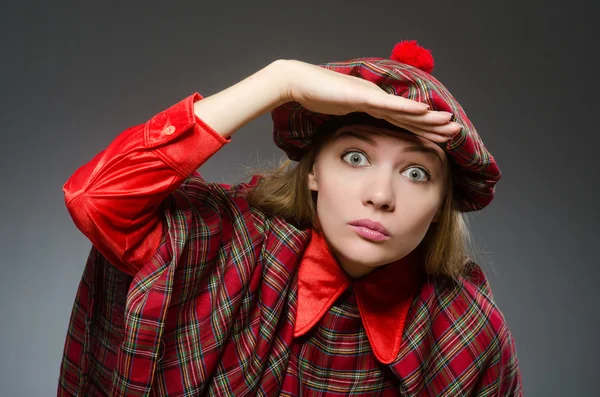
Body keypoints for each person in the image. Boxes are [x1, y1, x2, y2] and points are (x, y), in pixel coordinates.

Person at [58, 41, 522, 396]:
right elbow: (96, 198)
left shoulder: (469, 329)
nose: (381, 196)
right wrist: (278, 82)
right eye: (356, 157)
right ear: (314, 170)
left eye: (416, 173)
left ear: (442, 202)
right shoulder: (228, 240)